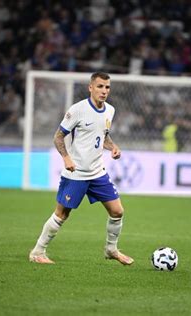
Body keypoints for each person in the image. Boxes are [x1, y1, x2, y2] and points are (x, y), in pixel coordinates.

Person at [29, 72, 134, 265]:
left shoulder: (110, 110)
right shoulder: (77, 110)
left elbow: (103, 135)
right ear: (91, 87)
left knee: (117, 211)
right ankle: (37, 252)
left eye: (107, 87)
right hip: (76, 173)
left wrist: (113, 147)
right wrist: (66, 158)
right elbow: (58, 137)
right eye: (100, 86)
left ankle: (111, 249)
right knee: (62, 214)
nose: (104, 91)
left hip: (98, 172)